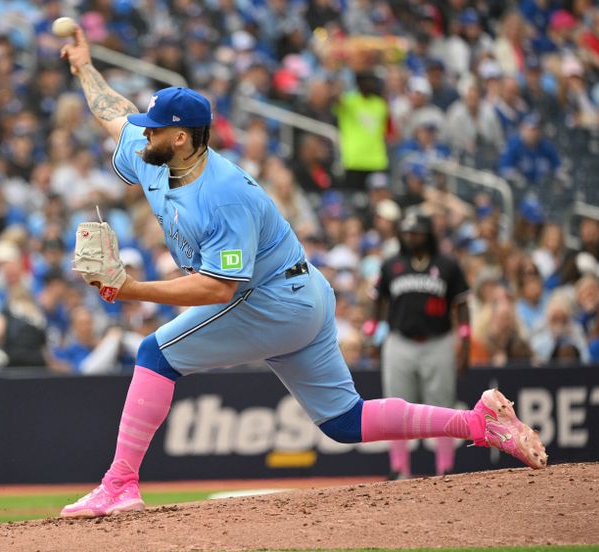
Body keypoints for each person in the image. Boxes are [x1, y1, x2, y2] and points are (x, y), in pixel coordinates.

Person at [57, 23, 547, 519]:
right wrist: (83, 64)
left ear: (180, 138)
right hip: (302, 291)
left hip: (271, 300)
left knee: (154, 353)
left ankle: (120, 484)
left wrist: (133, 288)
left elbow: (219, 288)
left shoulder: (225, 194)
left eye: (156, 127)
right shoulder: (156, 157)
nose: (145, 132)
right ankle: (478, 424)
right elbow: (114, 114)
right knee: (344, 420)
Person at [363, 211, 471, 478]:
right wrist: (372, 333)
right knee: (394, 409)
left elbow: (462, 305)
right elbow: (377, 300)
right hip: (400, 342)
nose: (411, 237)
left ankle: (445, 468)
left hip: (438, 342)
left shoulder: (447, 265)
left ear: (428, 234)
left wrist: (465, 344)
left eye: (416, 232)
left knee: (443, 407)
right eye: (407, 232)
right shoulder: (391, 265)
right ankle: (400, 469)